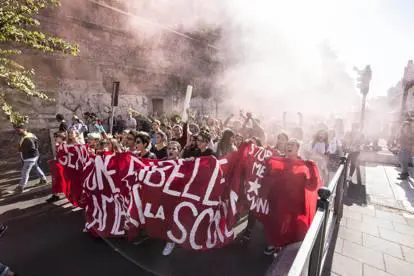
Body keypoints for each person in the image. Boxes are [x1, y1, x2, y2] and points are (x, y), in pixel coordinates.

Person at [161, 141, 183, 256]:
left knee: (173, 219)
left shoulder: (183, 163)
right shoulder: (162, 162)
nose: (170, 150)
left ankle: (170, 241)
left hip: (177, 196)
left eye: (174, 148)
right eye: (169, 148)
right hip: (164, 195)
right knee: (165, 218)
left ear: (179, 151)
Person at [14, 124, 47, 193]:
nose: (17, 132)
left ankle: (21, 186)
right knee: (35, 167)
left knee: (25, 171)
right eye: (16, 130)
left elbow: (32, 148)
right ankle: (43, 179)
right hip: (33, 157)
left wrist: (22, 150)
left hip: (30, 158)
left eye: (18, 130)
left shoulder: (28, 138)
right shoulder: (29, 135)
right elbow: (36, 144)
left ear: (24, 129)